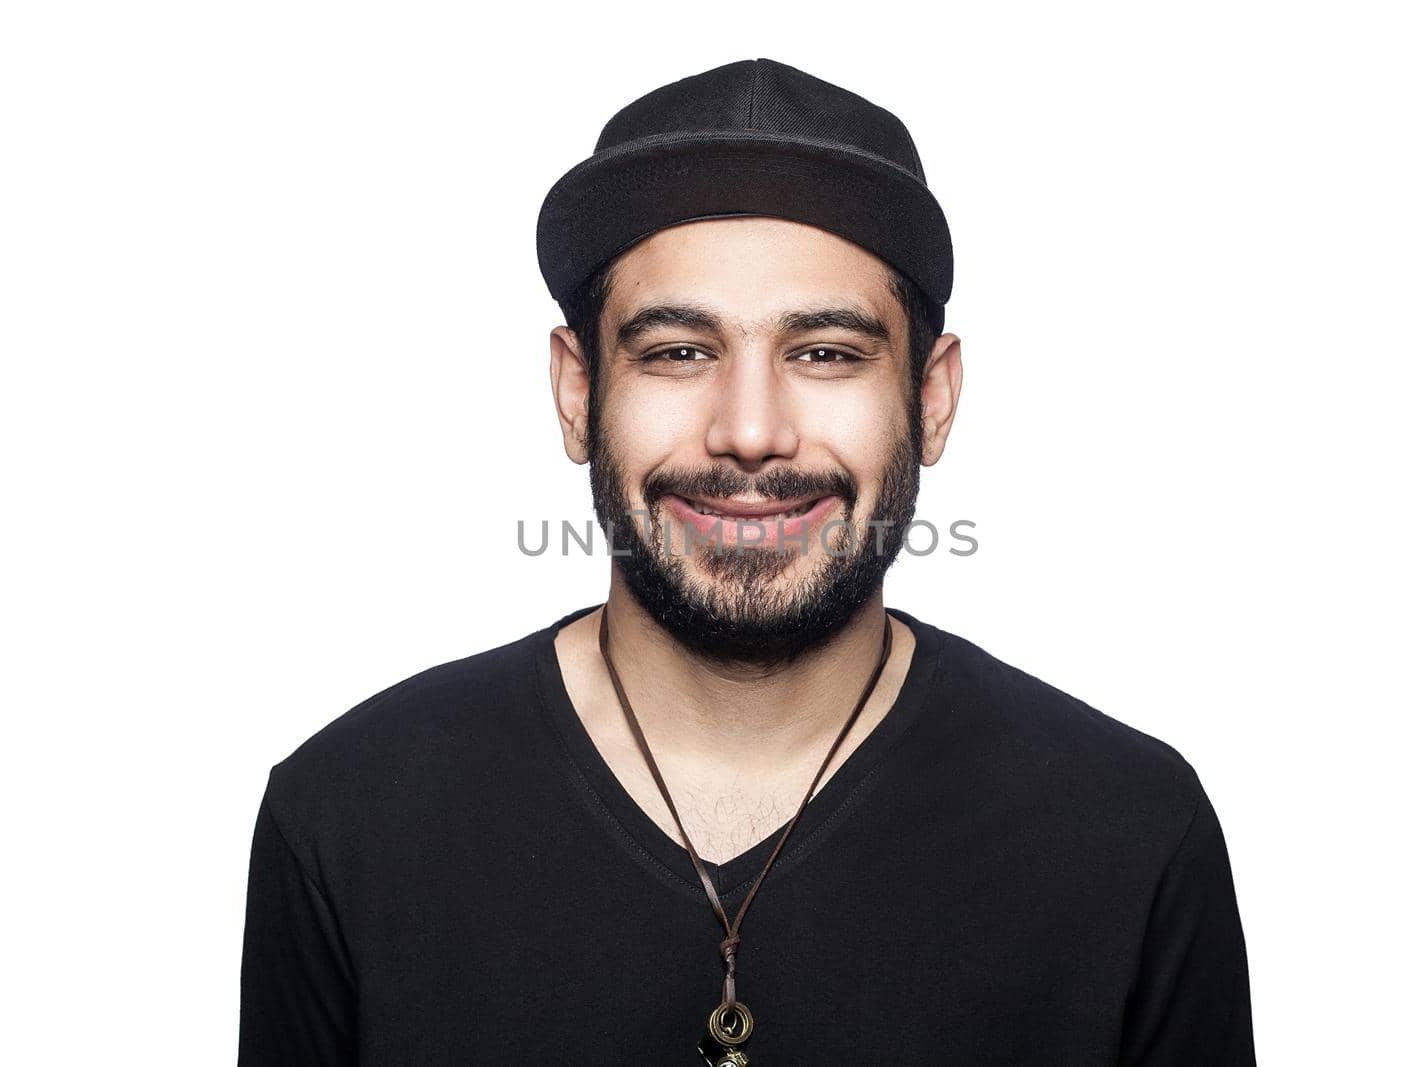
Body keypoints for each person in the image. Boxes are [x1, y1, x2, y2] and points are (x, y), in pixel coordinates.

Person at [238, 57, 1256, 1065]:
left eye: (825, 352)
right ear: (575, 392)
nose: (751, 431)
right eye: (679, 350)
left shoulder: (1127, 832)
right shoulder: (351, 814)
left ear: (932, 398)